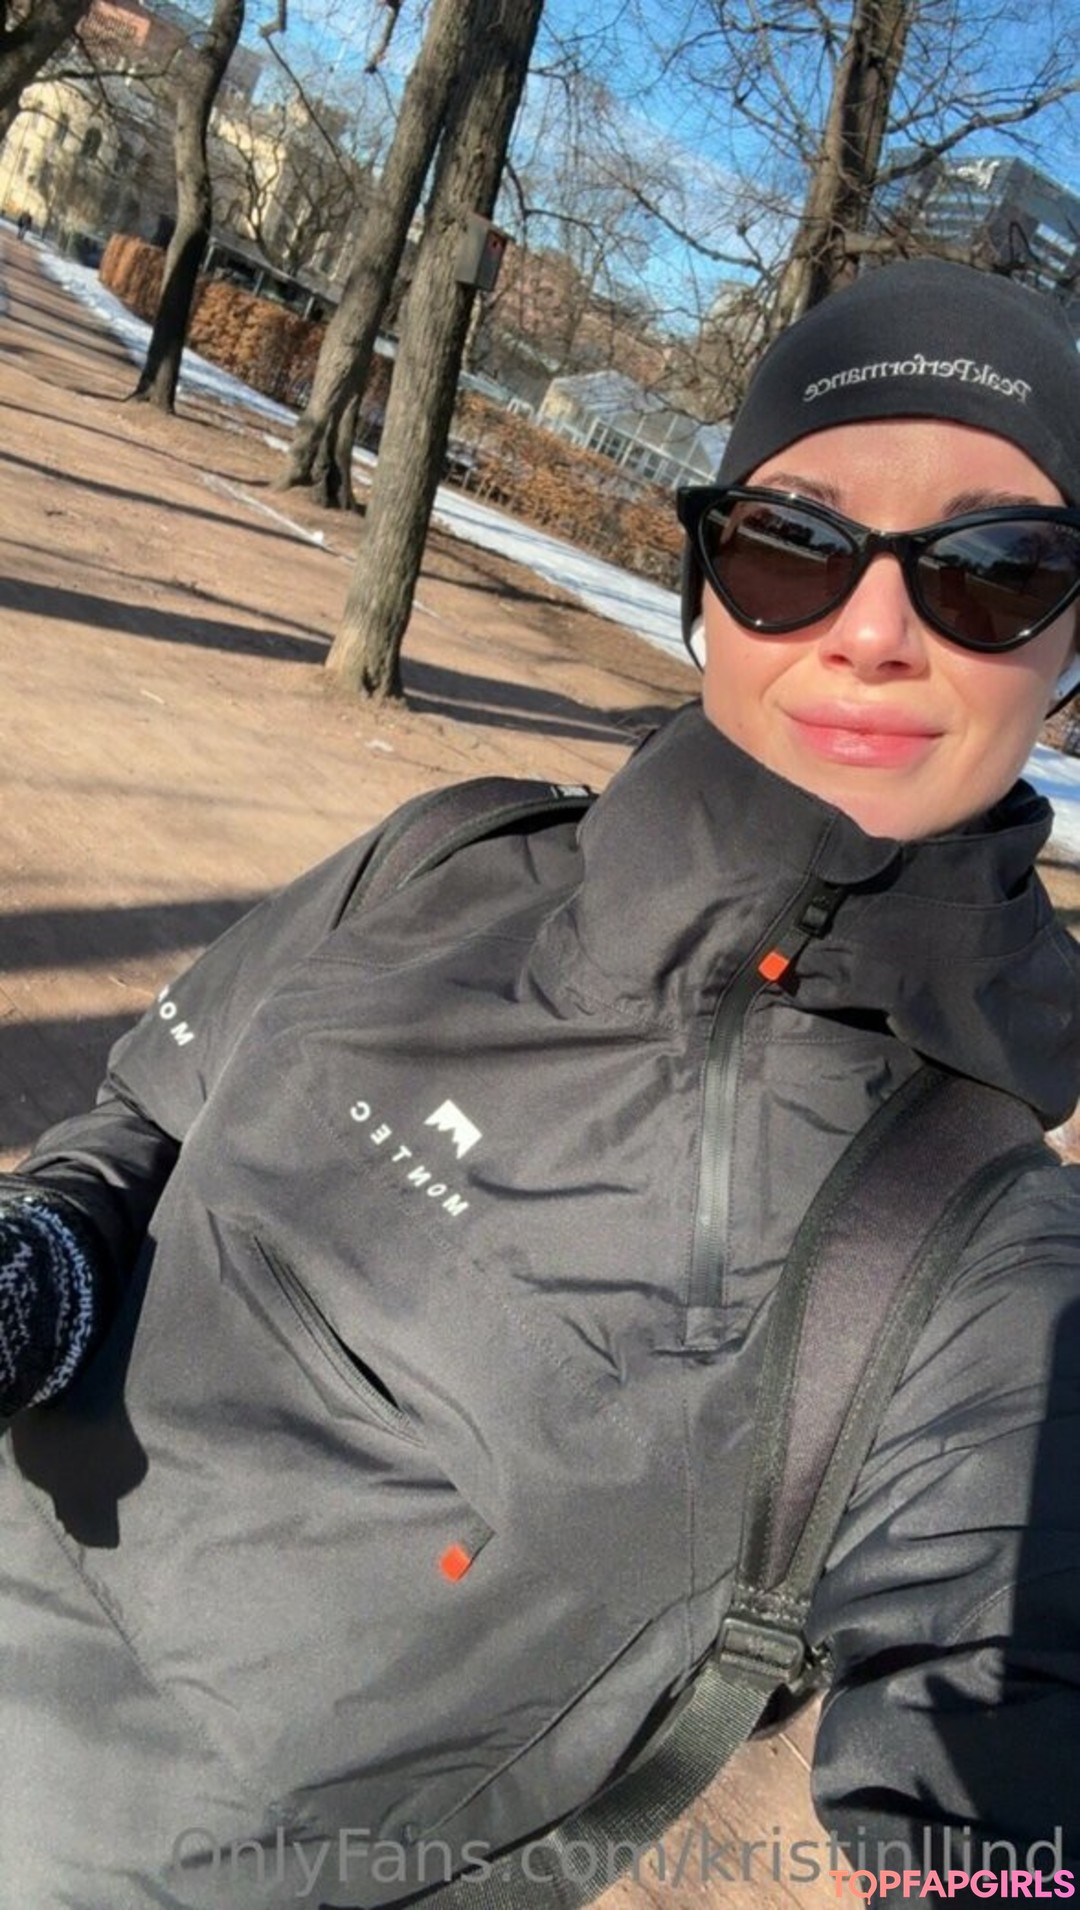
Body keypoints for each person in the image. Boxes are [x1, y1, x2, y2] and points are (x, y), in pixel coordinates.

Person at [1, 258, 1079, 1909]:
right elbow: (150, 1120)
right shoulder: (451, 849)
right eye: (792, 543)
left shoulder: (979, 1253)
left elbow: (1000, 1789)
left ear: (1069, 645)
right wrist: (45, 1265)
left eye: (992, 573)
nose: (872, 633)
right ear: (707, 579)